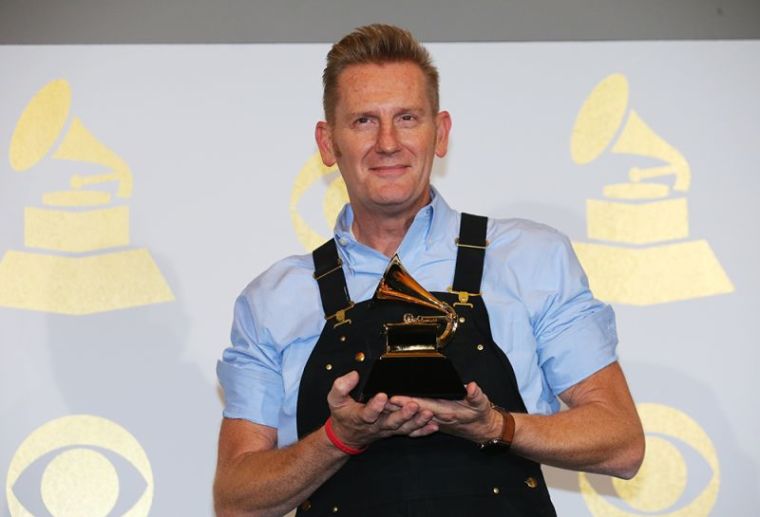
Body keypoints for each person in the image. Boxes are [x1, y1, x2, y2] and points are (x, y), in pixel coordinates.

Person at [214, 24, 644, 516]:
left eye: (407, 118)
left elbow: (622, 442)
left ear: (440, 134)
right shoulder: (272, 300)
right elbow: (236, 500)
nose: (388, 143)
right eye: (363, 122)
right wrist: (338, 438)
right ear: (327, 143)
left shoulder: (531, 258)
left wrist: (495, 427)